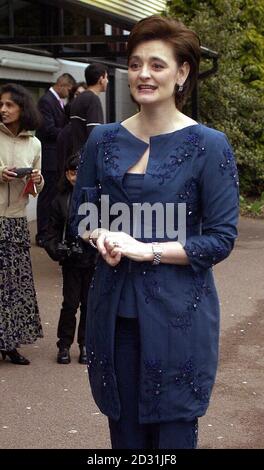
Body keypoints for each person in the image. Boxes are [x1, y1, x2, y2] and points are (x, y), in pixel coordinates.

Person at [71, 15, 239, 449]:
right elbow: (83, 216)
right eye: (136, 63)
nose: (144, 74)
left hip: (180, 314)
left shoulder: (209, 145)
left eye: (158, 64)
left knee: (174, 434)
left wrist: (148, 251)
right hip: (114, 313)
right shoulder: (102, 140)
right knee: (123, 433)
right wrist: (102, 238)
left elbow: (220, 238)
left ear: (182, 72)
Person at [0, 83, 44, 365]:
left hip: (16, 221)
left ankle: (9, 343)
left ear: (22, 109)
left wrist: (37, 181)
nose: (3, 109)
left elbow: (35, 189)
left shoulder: (35, 143)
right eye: (1, 104)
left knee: (14, 286)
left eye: (9, 105)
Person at [44, 155, 95, 365]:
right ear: (67, 174)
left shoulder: (97, 198)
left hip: (93, 258)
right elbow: (50, 232)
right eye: (73, 172)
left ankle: (85, 345)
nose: (76, 177)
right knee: (70, 304)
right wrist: (56, 250)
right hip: (71, 260)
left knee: (88, 304)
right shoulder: (60, 199)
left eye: (80, 172)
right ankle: (64, 345)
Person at [36, 73, 76, 246]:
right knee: (46, 195)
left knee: (52, 194)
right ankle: (42, 233)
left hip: (56, 156)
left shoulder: (57, 101)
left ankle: (47, 232)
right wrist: (68, 134)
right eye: (68, 89)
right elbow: (48, 129)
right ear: (62, 84)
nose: (69, 93)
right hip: (50, 155)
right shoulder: (46, 101)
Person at [70, 63, 108, 154]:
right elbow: (95, 133)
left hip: (76, 155)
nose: (107, 81)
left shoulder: (77, 99)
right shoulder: (93, 99)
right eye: (106, 77)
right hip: (88, 157)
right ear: (101, 79)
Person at [57, 82, 88, 179]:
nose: (80, 98)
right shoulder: (67, 130)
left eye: (83, 95)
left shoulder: (92, 126)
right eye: (77, 94)